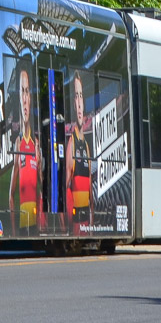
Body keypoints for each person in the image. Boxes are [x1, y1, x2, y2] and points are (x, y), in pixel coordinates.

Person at [9, 63, 41, 231]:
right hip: (22, 227)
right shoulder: (18, 144)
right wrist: (13, 230)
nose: (25, 97)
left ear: (30, 97)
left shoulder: (36, 143)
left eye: (27, 91)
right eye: (22, 91)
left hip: (36, 224)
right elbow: (11, 194)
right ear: (19, 98)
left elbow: (42, 188)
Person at [63, 71, 93, 222]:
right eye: (76, 96)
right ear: (74, 105)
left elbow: (89, 187)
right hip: (76, 221)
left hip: (87, 219)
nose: (79, 102)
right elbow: (65, 187)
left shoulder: (86, 146)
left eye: (81, 95)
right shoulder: (71, 144)